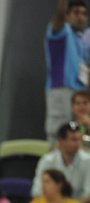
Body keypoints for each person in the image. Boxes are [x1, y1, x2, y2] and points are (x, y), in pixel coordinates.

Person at [45, 0, 90, 144]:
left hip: (79, 97)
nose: (80, 17)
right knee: (60, 135)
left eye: (84, 14)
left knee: (79, 137)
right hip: (62, 91)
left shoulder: (81, 42)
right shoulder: (61, 33)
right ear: (67, 15)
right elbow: (59, 17)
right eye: (76, 12)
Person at [34, 122, 90, 203]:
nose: (78, 144)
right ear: (61, 141)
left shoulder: (87, 161)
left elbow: (88, 194)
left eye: (79, 139)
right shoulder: (47, 161)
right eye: (73, 140)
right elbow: (37, 191)